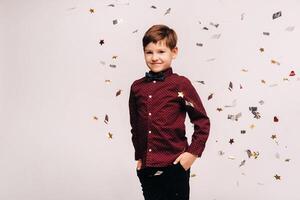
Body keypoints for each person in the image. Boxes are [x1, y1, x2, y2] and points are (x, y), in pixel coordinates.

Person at [128, 24, 210, 200]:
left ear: (174, 52)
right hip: (147, 168)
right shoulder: (137, 87)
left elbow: (202, 121)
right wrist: (139, 156)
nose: (154, 57)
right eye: (149, 52)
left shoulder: (181, 84)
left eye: (160, 52)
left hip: (175, 165)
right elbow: (135, 126)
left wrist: (192, 154)